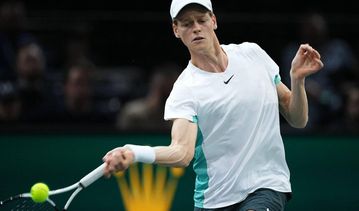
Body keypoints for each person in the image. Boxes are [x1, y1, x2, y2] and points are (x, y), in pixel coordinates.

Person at [103, 0, 323, 210]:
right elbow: (181, 153)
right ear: (176, 30)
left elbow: (297, 119)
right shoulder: (184, 90)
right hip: (214, 200)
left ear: (214, 21)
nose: (196, 28)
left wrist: (297, 79)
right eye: (187, 24)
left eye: (201, 20)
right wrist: (134, 152)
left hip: (267, 185)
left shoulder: (253, 55)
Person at [116, 62, 180, 132]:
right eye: (162, 89)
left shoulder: (184, 116)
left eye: (170, 90)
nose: (166, 95)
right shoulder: (132, 113)